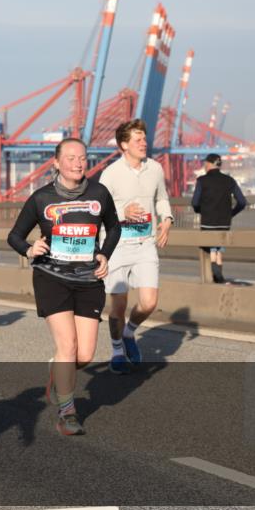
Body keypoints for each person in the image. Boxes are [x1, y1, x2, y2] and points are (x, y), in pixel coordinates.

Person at [8, 138, 120, 435]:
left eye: (82, 157)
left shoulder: (99, 193)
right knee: (67, 346)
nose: (78, 163)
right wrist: (30, 250)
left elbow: (115, 227)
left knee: (83, 355)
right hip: (51, 278)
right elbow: (15, 236)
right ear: (56, 163)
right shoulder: (41, 198)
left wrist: (104, 254)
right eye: (70, 158)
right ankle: (67, 413)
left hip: (88, 280)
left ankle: (60, 370)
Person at [97, 119, 174, 375]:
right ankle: (117, 349)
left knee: (149, 302)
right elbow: (98, 209)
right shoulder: (110, 173)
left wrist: (167, 219)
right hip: (117, 246)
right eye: (138, 140)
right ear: (124, 145)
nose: (144, 143)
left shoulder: (155, 168)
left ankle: (129, 333)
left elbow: (161, 198)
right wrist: (122, 211)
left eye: (144, 138)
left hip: (145, 244)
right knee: (118, 305)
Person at [192, 153, 248, 284]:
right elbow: (242, 202)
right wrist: (231, 213)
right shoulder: (229, 180)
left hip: (208, 223)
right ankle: (219, 276)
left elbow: (195, 203)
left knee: (210, 249)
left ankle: (214, 276)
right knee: (218, 250)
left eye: (205, 163)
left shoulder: (201, 181)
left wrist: (201, 211)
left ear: (209, 164)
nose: (204, 166)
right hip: (224, 223)